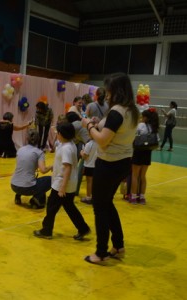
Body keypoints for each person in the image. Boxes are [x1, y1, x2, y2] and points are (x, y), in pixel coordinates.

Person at [82, 72, 139, 264]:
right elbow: (115, 132)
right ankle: (119, 245)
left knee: (100, 207)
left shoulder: (116, 112)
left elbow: (103, 141)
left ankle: (100, 252)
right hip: (123, 161)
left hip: (109, 164)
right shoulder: (131, 110)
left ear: (116, 91)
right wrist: (99, 125)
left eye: (108, 90)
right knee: (107, 203)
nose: (106, 94)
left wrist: (89, 125)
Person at [33, 122, 91, 240]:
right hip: (66, 182)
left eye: (57, 133)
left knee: (51, 207)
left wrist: (63, 187)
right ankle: (83, 228)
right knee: (69, 207)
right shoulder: (69, 145)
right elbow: (64, 163)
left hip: (62, 183)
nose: (56, 134)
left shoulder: (66, 148)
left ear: (61, 134)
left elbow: (68, 167)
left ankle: (46, 230)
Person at [11, 129, 53, 209]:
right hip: (28, 188)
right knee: (51, 179)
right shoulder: (39, 152)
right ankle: (36, 199)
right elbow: (43, 170)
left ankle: (18, 195)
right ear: (38, 140)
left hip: (14, 185)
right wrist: (51, 166)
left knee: (24, 174)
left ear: (27, 139)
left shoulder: (20, 149)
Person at [130, 108, 160, 204]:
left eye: (142, 116)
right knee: (143, 176)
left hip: (138, 151)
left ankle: (133, 196)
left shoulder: (140, 126)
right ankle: (142, 197)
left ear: (145, 118)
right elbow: (157, 140)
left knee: (135, 175)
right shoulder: (154, 127)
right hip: (147, 152)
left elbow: (133, 136)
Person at [80, 136, 97, 205]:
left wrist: (81, 152)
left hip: (89, 165)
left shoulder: (89, 144)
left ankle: (88, 197)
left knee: (89, 182)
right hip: (97, 165)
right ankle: (94, 197)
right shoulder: (100, 143)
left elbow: (85, 156)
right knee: (95, 182)